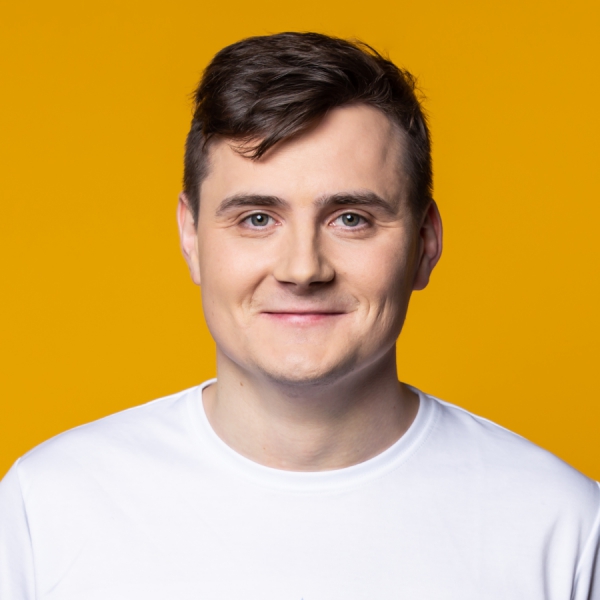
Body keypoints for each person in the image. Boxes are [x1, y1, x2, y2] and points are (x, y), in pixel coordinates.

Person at [0, 31, 598, 600]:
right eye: (257, 218)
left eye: (351, 219)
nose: (303, 269)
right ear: (190, 235)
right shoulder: (48, 506)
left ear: (425, 241)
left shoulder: (563, 525)